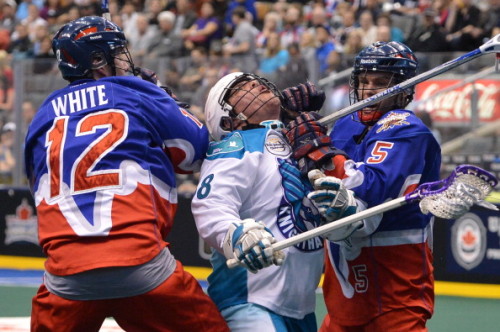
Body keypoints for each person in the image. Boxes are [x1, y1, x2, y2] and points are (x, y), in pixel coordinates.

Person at [23, 16, 229, 332]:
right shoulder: (138, 92)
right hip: (141, 262)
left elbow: (37, 183)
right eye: (117, 52)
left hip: (64, 277)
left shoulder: (41, 117)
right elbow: (194, 153)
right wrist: (163, 97)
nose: (124, 59)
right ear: (97, 61)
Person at [284, 41, 442, 331]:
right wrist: (291, 124)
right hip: (344, 296)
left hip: (394, 292)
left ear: (405, 88)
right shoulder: (346, 123)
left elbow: (370, 189)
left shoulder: (407, 129)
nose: (369, 90)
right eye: (364, 81)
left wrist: (319, 152)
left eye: (380, 82)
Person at [191, 72, 328, 331]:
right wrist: (236, 234)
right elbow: (211, 205)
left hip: (302, 307)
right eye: (240, 89)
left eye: (254, 81)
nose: (256, 84)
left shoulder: (299, 139)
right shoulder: (236, 143)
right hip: (248, 301)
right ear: (228, 121)